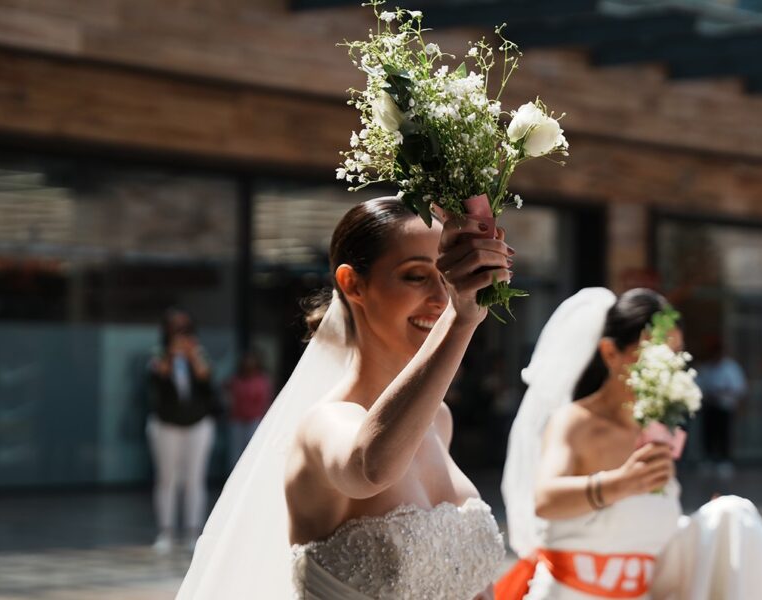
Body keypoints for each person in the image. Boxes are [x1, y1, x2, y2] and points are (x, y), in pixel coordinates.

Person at [177, 198, 509, 599]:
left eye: (449, 277)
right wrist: (461, 320)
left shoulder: (439, 419)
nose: (442, 299)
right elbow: (372, 468)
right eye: (416, 277)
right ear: (353, 284)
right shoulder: (323, 424)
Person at [498, 288, 762, 600]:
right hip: (569, 593)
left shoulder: (657, 431)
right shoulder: (575, 421)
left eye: (676, 354)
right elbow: (545, 500)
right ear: (611, 353)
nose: (669, 366)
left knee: (734, 516)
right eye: (655, 353)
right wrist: (621, 483)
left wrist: (713, 528)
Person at [147, 308, 219, 554]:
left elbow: (207, 377)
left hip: (198, 423)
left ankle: (192, 531)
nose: (180, 334)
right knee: (167, 479)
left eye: (185, 329)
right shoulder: (159, 354)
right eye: (175, 328)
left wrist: (191, 355)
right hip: (166, 424)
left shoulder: (199, 353)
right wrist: (172, 353)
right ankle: (165, 531)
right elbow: (158, 374)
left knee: (194, 479)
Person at [696, 335, 747, 476]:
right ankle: (709, 459)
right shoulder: (706, 367)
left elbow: (740, 387)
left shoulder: (731, 367)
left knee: (724, 435)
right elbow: (699, 385)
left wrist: (724, 392)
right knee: (709, 434)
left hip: (725, 406)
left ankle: (725, 460)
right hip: (710, 406)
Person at [224, 349, 272, 468]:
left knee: (253, 454)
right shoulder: (235, 379)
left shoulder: (262, 380)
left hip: (254, 422)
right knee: (235, 456)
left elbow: (266, 402)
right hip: (237, 421)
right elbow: (226, 394)